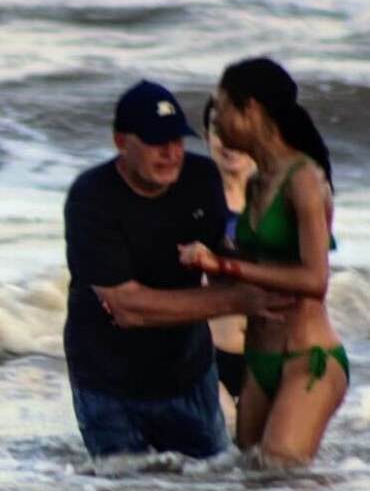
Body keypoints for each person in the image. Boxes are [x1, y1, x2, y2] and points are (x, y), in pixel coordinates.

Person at [64, 79, 292, 459]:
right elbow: (127, 307)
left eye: (177, 140)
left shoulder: (201, 179)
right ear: (122, 142)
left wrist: (261, 270)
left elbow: (225, 262)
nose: (171, 153)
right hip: (107, 383)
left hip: (189, 375)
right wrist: (234, 299)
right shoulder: (92, 198)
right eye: (157, 142)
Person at [179, 57, 349, 468]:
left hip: (307, 359)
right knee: (253, 489)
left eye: (222, 109)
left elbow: (314, 278)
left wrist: (225, 268)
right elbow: (258, 261)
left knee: (282, 473)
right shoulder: (259, 182)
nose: (216, 122)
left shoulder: (305, 179)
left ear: (251, 110)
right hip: (260, 360)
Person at [202, 95, 256, 418]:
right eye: (218, 130)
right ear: (207, 136)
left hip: (269, 356)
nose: (229, 141)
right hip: (210, 357)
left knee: (269, 463)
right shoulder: (193, 200)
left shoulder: (280, 201)